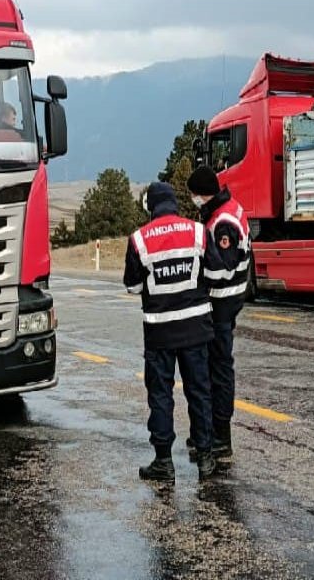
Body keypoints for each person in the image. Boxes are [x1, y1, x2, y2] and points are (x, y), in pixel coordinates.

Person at [124, 182, 221, 482]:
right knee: (199, 393)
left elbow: (132, 286)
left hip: (159, 334)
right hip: (196, 329)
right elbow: (216, 274)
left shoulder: (139, 239)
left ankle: (164, 461)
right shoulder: (197, 231)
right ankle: (205, 457)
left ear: (151, 206)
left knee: (161, 396)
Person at [186, 166, 250, 467]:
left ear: (201, 193)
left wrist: (197, 266)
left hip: (221, 303)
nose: (192, 200)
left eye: (193, 195)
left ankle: (220, 436)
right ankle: (209, 430)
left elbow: (221, 268)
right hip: (228, 300)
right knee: (215, 368)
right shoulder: (226, 208)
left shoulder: (223, 222)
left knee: (219, 370)